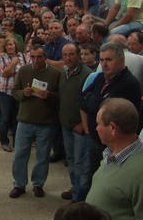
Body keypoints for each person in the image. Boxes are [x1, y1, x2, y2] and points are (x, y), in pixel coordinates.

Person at [80, 42, 142, 187]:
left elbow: (103, 108)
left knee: (106, 182)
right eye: (101, 60)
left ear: (121, 61)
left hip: (114, 144)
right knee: (88, 176)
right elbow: (82, 99)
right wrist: (96, 102)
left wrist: (93, 102)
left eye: (108, 60)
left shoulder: (129, 83)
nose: (104, 64)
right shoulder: (100, 77)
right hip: (95, 138)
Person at [9, 45, 61, 199]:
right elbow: (14, 92)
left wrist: (50, 95)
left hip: (46, 122)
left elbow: (60, 97)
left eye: (39, 57)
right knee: (20, 154)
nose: (36, 60)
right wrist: (23, 93)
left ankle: (38, 184)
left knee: (42, 155)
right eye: (33, 57)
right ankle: (19, 184)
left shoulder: (55, 73)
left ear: (45, 57)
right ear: (29, 57)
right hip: (25, 120)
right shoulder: (24, 71)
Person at [86, 98, 143, 220]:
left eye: (98, 124)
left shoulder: (140, 172)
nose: (96, 129)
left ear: (112, 128)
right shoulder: (110, 154)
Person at [58, 43, 92, 203]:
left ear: (78, 55)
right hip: (66, 125)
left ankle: (80, 198)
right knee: (71, 159)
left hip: (79, 127)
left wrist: (83, 125)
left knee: (81, 163)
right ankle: (75, 188)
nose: (68, 58)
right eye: (65, 55)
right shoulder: (63, 72)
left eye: (71, 54)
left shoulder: (87, 74)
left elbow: (89, 103)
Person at [0, 36, 28, 152]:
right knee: (5, 118)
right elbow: (4, 73)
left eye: (12, 44)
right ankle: (4, 141)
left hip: (19, 92)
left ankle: (17, 141)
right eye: (8, 45)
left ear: (16, 45)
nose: (10, 47)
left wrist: (11, 69)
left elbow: (25, 72)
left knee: (17, 118)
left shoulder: (23, 56)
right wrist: (13, 63)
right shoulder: (2, 56)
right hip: (5, 91)